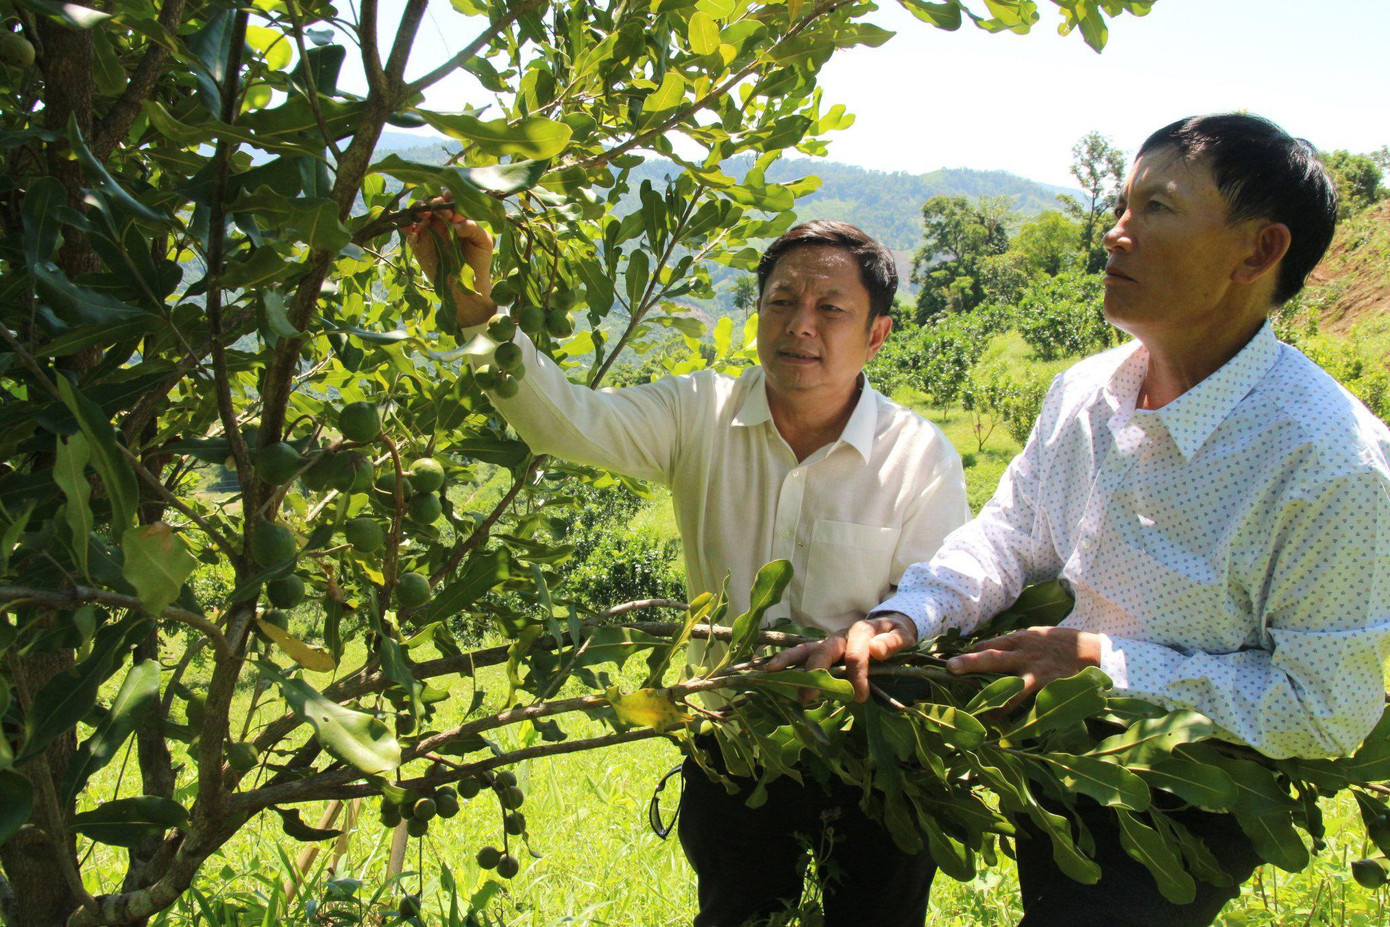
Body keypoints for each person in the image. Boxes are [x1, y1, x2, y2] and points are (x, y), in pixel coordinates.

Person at [771, 113, 1390, 925]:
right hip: (1055, 759)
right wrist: (907, 615)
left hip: (1188, 799)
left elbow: (1327, 704)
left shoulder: (1332, 465)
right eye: (1122, 203)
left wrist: (1102, 660)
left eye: (1155, 208)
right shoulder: (1085, 393)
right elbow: (1011, 535)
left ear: (1258, 251)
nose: (1115, 232)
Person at [407, 213, 970, 925]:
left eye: (831, 309)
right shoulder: (698, 412)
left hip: (872, 757)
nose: (801, 324)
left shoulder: (919, 456)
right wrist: (472, 305)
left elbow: (935, 607)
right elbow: (564, 420)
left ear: (876, 336)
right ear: (757, 311)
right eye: (782, 301)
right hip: (729, 745)